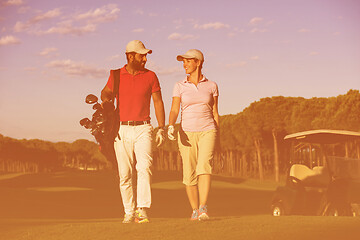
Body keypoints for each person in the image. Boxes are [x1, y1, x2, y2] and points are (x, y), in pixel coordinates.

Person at [101, 40, 165, 223]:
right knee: (125, 174)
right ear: (130, 56)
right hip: (121, 129)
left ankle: (142, 210)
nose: (145, 59)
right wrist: (106, 101)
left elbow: (158, 102)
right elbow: (105, 92)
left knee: (144, 167)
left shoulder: (151, 76)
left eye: (146, 55)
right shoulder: (116, 75)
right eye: (141, 55)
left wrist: (161, 128)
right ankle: (129, 211)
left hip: (144, 127)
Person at [167, 49, 219, 221]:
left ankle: (203, 208)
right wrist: (170, 125)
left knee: (204, 166)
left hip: (208, 130)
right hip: (186, 133)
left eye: (188, 61)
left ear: (198, 62)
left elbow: (215, 112)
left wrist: (218, 135)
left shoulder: (212, 85)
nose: (185, 64)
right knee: (189, 173)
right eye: (183, 61)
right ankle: (195, 210)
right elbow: (175, 109)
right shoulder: (179, 85)